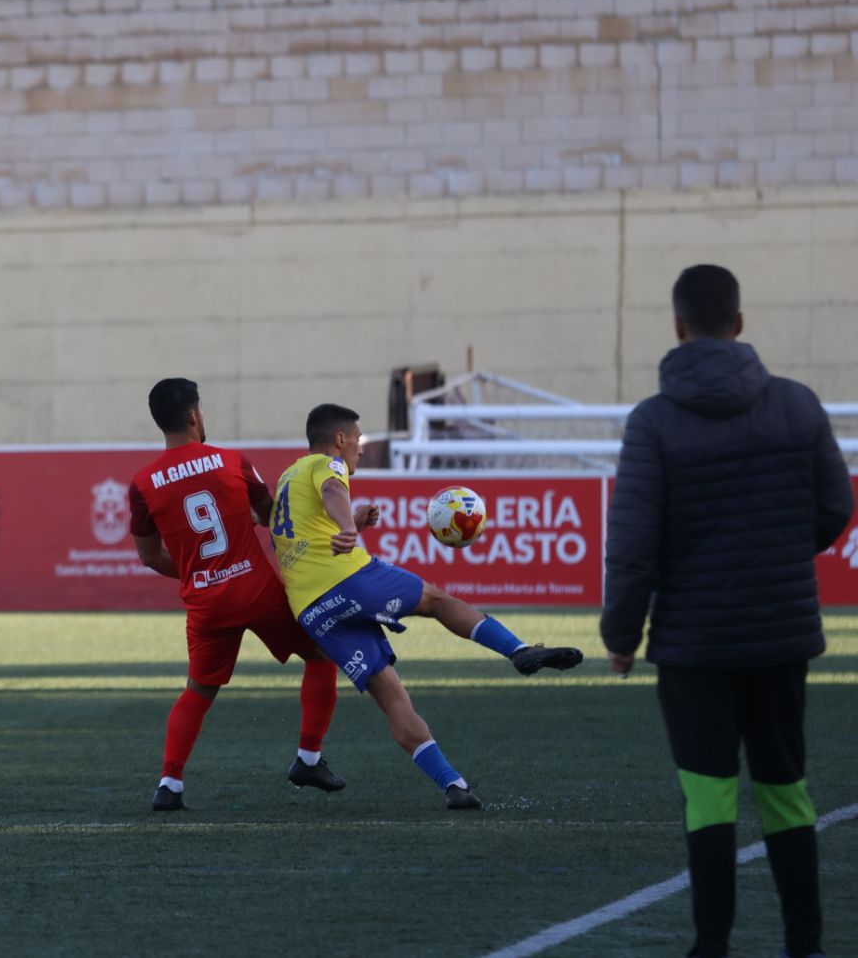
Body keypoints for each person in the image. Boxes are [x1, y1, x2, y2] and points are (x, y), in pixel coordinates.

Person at [602, 264, 852, 958]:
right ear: (739, 323)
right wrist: (777, 552)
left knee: (709, 796)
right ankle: (806, 944)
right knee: (786, 791)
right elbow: (836, 506)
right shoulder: (797, 404)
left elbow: (633, 545)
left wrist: (621, 635)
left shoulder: (654, 421)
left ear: (678, 327)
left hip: (694, 645)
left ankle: (711, 945)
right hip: (780, 635)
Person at [270, 403, 584, 810]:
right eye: (358, 439)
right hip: (347, 580)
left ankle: (454, 785)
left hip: (311, 610)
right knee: (436, 600)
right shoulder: (329, 465)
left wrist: (353, 523)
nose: (360, 448)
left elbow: (307, 531)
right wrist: (348, 526)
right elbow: (333, 490)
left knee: (391, 696)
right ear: (340, 439)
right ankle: (519, 650)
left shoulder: (288, 476)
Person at [129, 378, 345, 812]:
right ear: (194, 416)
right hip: (257, 591)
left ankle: (169, 784)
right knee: (322, 655)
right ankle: (308, 758)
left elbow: (150, 556)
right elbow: (272, 516)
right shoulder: (232, 461)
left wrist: (199, 571)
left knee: (198, 691)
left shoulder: (142, 483)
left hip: (206, 604)